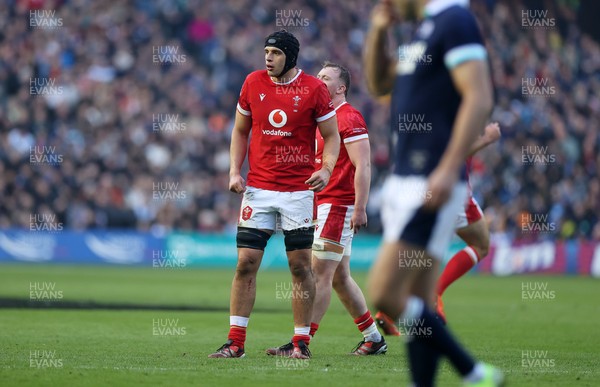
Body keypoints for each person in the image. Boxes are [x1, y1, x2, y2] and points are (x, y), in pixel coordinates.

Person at [364, 0, 503, 385]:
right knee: (420, 303)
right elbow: (379, 84)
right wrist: (378, 30)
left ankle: (474, 372)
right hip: (405, 180)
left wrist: (447, 166)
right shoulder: (420, 32)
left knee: (385, 292)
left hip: (429, 182)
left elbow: (479, 97)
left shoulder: (455, 20)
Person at [208, 30, 340, 359]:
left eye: (276, 53)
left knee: (299, 267)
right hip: (259, 188)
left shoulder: (313, 89)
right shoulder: (252, 83)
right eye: (266, 51)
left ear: (290, 57)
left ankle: (300, 343)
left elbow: (332, 136)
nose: (268, 57)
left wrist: (325, 169)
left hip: (298, 191)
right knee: (245, 264)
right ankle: (235, 342)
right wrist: (234, 171)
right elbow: (240, 130)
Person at [266, 62, 386, 357]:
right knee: (339, 277)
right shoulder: (324, 119)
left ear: (340, 87)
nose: (318, 80)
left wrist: (360, 207)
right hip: (321, 203)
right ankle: (374, 338)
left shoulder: (350, 117)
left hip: (339, 205)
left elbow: (364, 164)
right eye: (317, 76)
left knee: (318, 272)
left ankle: (300, 342)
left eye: (325, 77)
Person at [376, 122, 502, 333]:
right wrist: (486, 139)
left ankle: (388, 311)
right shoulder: (447, 106)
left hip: (413, 186)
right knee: (480, 244)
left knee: (418, 250)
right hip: (448, 186)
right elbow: (451, 153)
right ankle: (433, 297)